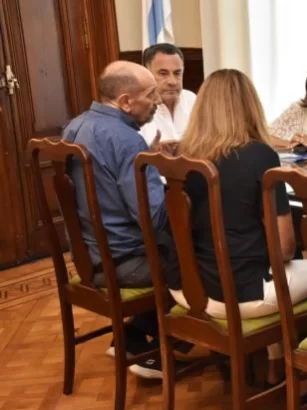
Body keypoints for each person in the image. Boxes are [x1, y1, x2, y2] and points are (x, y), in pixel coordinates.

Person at [171, 68, 307, 385]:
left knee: (271, 263)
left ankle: (275, 360)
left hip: (187, 288)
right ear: (250, 106)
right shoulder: (259, 155)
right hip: (240, 295)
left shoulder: (182, 155)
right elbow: (284, 248)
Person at [61, 61, 169, 378]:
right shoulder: (125, 140)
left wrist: (145, 162)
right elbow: (153, 218)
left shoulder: (75, 126)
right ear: (125, 101)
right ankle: (159, 350)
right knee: (203, 261)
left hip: (88, 256)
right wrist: (168, 179)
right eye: (151, 94)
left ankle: (133, 337)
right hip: (125, 262)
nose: (158, 101)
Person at [139, 43, 197, 150]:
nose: (172, 82)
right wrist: (150, 152)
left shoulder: (192, 99)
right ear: (146, 73)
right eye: (163, 73)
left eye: (177, 73)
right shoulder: (138, 108)